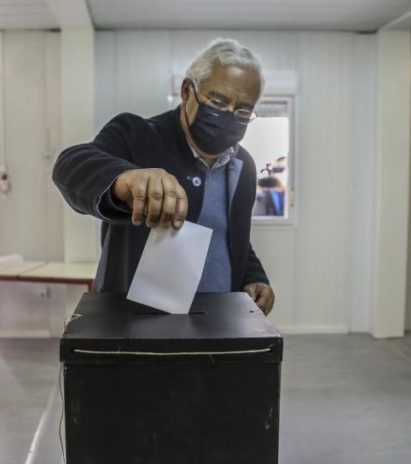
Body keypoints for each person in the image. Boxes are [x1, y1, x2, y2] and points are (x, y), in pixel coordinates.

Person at [53, 38, 275, 314]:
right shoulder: (137, 135)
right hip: (138, 324)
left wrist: (254, 276)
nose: (229, 115)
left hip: (221, 320)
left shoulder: (244, 165)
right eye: (218, 101)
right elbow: (71, 165)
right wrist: (126, 179)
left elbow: (230, 234)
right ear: (187, 90)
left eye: (243, 110)